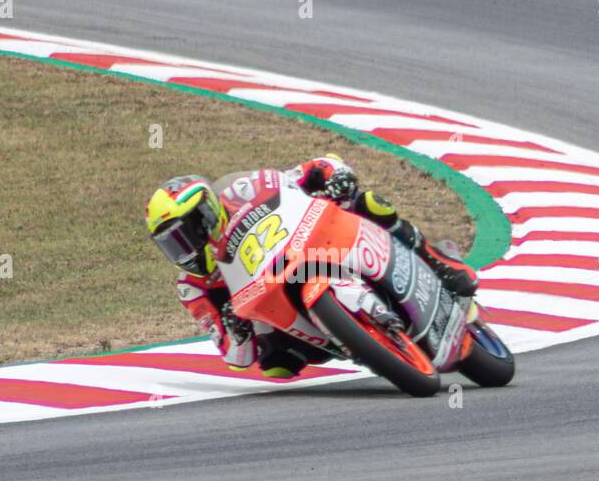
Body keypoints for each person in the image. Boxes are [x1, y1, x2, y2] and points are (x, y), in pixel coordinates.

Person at [145, 154, 477, 377]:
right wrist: (237, 328)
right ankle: (354, 339)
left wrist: (337, 179)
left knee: (366, 202)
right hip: (274, 312)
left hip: (303, 245)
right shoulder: (191, 288)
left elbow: (314, 169)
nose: (184, 249)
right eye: (172, 243)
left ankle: (436, 260)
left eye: (187, 233)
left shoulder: (241, 190)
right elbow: (236, 357)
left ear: (207, 213)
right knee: (276, 367)